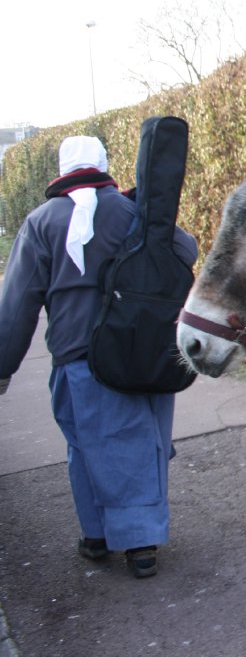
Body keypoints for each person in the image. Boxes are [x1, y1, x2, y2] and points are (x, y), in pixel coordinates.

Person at [0, 136, 197, 579]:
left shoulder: (40, 221)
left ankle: (98, 534)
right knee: (138, 443)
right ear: (105, 164)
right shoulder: (133, 212)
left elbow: (17, 304)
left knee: (86, 445)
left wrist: (2, 365)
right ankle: (141, 541)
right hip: (140, 349)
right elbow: (186, 251)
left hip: (77, 356)